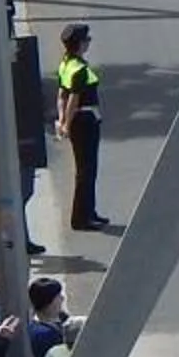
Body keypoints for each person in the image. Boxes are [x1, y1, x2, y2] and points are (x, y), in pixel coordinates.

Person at [56, 23, 111, 231]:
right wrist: (67, 125)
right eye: (87, 40)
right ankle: (80, 218)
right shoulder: (79, 69)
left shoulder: (67, 64)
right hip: (84, 121)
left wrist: (62, 120)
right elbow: (73, 100)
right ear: (79, 44)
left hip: (79, 120)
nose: (89, 42)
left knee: (87, 169)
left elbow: (61, 95)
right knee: (86, 170)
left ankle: (89, 211)